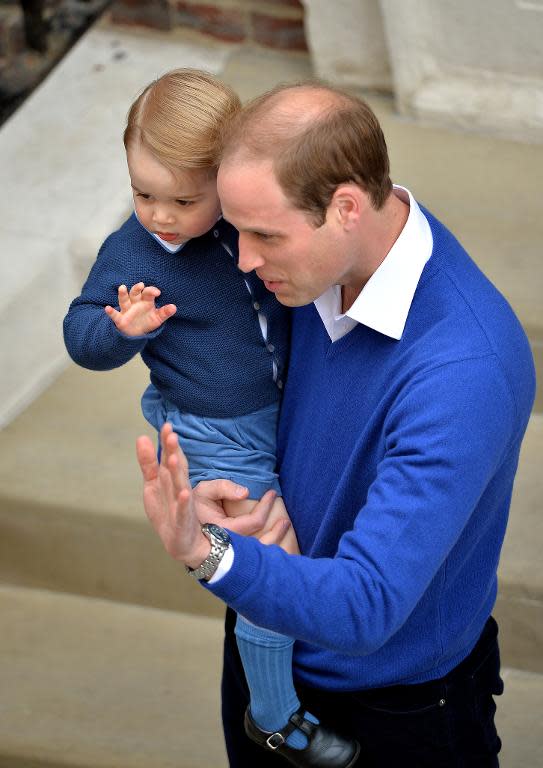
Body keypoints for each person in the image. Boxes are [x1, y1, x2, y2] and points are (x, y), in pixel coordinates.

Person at [136, 81, 537, 768]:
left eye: (264, 235)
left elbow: (365, 605)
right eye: (238, 230)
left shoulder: (464, 370)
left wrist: (207, 554)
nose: (246, 261)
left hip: (394, 716)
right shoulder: (312, 262)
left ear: (345, 206)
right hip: (267, 641)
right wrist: (224, 491)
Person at [63, 69, 359, 768]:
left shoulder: (239, 223)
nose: (161, 214)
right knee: (267, 563)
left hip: (285, 406)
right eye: (142, 193)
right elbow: (81, 339)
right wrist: (122, 329)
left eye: (183, 198)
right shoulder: (131, 255)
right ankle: (273, 714)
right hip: (215, 430)